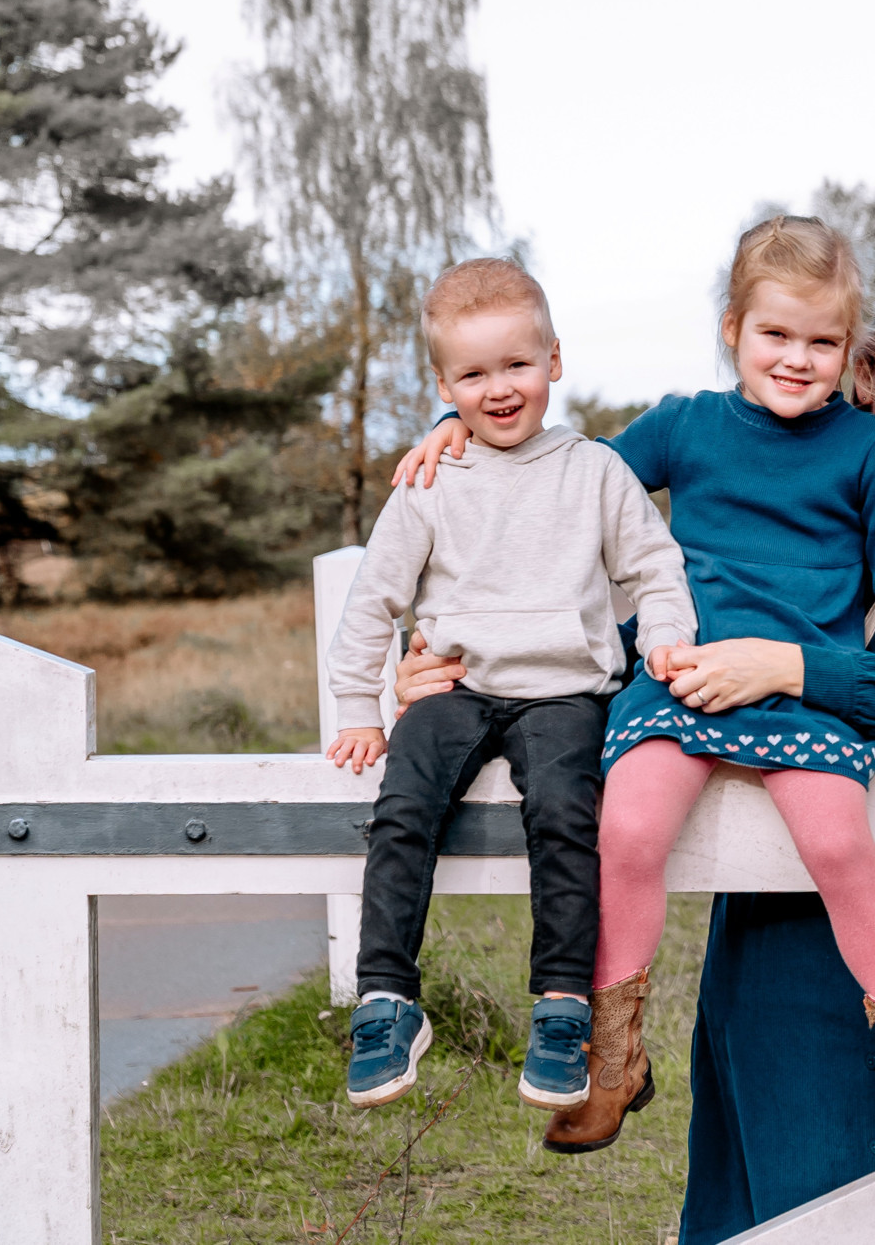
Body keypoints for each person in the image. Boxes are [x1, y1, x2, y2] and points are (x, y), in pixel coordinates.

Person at [395, 268, 875, 1240]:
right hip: (781, 929)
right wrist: (452, 651)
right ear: (866, 372)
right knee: (798, 1197)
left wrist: (791, 666)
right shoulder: (762, 503)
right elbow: (608, 637)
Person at [326, 258, 697, 1116]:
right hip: (456, 687)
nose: (499, 388)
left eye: (517, 365)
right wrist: (357, 704)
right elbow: (375, 597)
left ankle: (562, 1005)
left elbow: (654, 566)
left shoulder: (596, 471)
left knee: (567, 813)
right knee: (404, 804)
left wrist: (669, 637)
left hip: (566, 691)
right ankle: (386, 998)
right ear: (443, 383)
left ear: (555, 360)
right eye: (473, 373)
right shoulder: (430, 479)